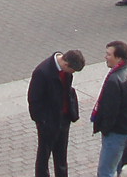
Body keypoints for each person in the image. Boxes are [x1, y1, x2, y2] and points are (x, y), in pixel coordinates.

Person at [28, 49, 85, 177]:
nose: (72, 73)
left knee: (61, 156)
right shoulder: (42, 72)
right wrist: (42, 121)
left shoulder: (66, 70)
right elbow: (34, 99)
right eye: (72, 71)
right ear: (66, 64)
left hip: (63, 118)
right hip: (48, 121)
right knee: (44, 156)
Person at [91, 41, 127, 177]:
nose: (105, 57)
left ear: (119, 58)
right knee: (122, 167)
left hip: (116, 132)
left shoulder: (114, 80)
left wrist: (105, 129)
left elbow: (110, 111)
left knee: (106, 171)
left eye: (109, 54)